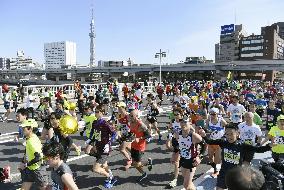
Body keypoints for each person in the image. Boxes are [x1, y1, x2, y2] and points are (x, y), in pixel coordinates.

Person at [199, 123, 271, 190]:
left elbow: (257, 149)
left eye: (231, 134)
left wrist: (269, 146)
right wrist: (204, 136)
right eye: (227, 134)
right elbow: (210, 142)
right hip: (223, 172)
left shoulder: (242, 145)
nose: (229, 136)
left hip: (236, 174)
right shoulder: (223, 142)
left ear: (237, 134)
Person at [86, 105, 118, 188]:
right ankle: (112, 177)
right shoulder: (94, 122)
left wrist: (109, 142)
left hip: (105, 148)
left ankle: (109, 177)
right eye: (95, 111)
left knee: (95, 169)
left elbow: (114, 133)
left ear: (102, 113)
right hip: (98, 146)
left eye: (97, 112)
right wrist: (90, 140)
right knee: (104, 165)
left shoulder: (105, 124)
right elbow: (93, 133)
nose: (95, 113)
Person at [18, 120, 48, 190]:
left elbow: (38, 157)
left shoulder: (32, 141)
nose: (22, 130)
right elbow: (27, 151)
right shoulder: (30, 138)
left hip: (37, 169)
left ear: (30, 129)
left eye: (24, 128)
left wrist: (27, 164)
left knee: (44, 188)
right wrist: (23, 161)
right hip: (30, 168)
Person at [129, 109, 153, 182]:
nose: (130, 117)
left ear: (136, 116)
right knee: (133, 163)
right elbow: (131, 133)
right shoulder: (131, 122)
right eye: (130, 115)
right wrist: (127, 136)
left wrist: (139, 138)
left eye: (131, 116)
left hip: (140, 147)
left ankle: (148, 162)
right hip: (133, 145)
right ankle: (143, 174)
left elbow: (149, 135)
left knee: (137, 164)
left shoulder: (141, 124)